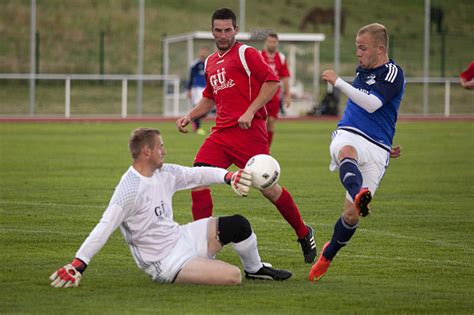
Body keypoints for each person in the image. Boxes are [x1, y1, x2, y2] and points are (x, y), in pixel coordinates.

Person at [49, 128, 292, 288]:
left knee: (239, 224)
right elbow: (104, 227)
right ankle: (205, 267)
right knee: (232, 277)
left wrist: (229, 178)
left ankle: (256, 269)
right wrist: (79, 263)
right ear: (146, 151)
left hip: (182, 236)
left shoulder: (163, 172)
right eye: (160, 147)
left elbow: (197, 174)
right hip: (165, 261)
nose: (164, 150)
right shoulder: (129, 189)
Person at [176, 8, 316, 264]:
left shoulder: (246, 53)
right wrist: (191, 115)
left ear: (236, 30)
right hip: (221, 135)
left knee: (269, 189)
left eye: (227, 30)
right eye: (218, 30)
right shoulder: (210, 62)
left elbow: (272, 82)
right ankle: (202, 248)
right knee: (197, 178)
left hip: (249, 134)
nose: (222, 35)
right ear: (212, 31)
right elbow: (209, 98)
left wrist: (250, 111)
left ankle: (304, 232)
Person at [309, 23, 405, 282]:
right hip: (349, 132)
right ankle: (357, 193)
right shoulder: (364, 69)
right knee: (346, 150)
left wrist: (338, 81)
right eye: (356, 48)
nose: (358, 53)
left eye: (363, 48)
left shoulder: (394, 73)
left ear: (380, 49)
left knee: (351, 216)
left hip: (377, 148)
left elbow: (374, 105)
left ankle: (329, 253)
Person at [261, 32, 291, 148]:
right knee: (261, 123)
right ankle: (259, 148)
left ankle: (266, 149)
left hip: (274, 96)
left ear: (277, 43)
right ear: (266, 42)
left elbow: (285, 77)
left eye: (274, 42)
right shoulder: (259, 55)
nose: (272, 44)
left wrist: (287, 95)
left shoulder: (281, 58)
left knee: (271, 123)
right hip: (261, 95)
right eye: (269, 41)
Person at [187, 46, 211, 135]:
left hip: (206, 88)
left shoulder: (209, 63)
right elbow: (191, 77)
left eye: (205, 51)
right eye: (202, 51)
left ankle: (194, 121)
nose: (204, 53)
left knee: (205, 110)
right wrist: (189, 89)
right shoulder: (195, 64)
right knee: (198, 107)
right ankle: (197, 127)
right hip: (197, 88)